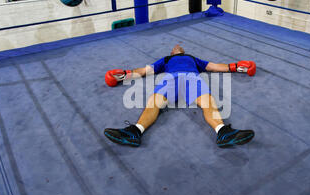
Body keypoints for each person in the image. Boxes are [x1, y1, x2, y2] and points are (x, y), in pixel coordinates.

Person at [104, 44, 256, 148]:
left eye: (180, 47)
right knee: (154, 101)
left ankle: (223, 132)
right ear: (172, 52)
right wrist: (125, 75)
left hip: (192, 78)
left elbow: (214, 66)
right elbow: (145, 70)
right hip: (171, 79)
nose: (178, 46)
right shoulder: (165, 60)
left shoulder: (193, 58)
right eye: (175, 47)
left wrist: (237, 67)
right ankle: (135, 132)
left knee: (208, 102)